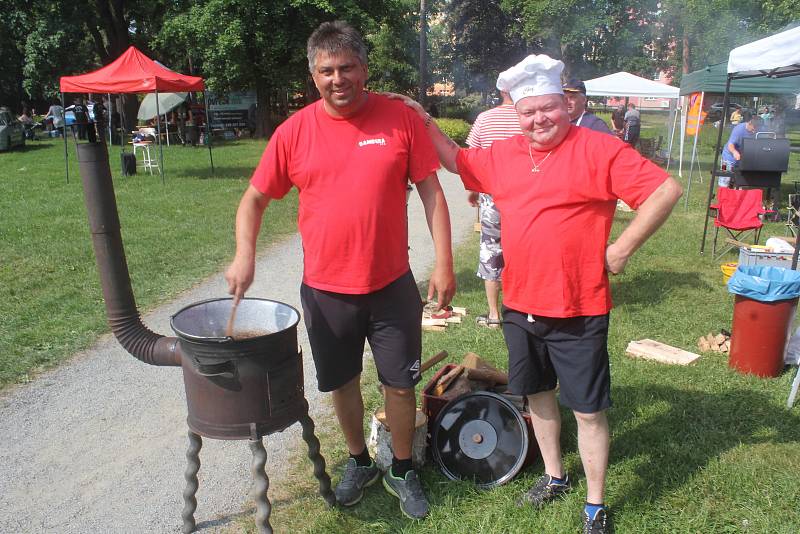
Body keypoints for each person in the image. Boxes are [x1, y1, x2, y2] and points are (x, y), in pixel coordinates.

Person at [389, 53, 682, 534]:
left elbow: (665, 190)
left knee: (588, 410)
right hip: (520, 305)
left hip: (579, 306)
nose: (540, 119)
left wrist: (623, 247)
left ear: (566, 104)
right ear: (516, 113)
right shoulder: (504, 154)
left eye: (549, 108)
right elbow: (455, 158)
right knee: (539, 396)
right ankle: (554, 476)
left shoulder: (599, 150)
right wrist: (421, 117)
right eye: (529, 112)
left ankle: (595, 505)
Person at [224, 20, 455, 520]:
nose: (337, 78)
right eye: (326, 70)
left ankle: (401, 466)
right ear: (313, 75)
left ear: (364, 69)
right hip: (327, 292)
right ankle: (358, 460)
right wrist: (245, 254)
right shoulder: (294, 132)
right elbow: (254, 199)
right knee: (342, 382)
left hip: (392, 285)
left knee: (400, 384)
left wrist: (445, 261)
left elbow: (433, 193)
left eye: (347, 67)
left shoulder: (399, 120)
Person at [465, 87, 522, 328]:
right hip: (526, 195)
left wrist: (473, 188)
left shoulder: (485, 118)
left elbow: (473, 156)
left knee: (491, 250)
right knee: (523, 250)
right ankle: (522, 310)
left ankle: (494, 314)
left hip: (492, 195)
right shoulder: (528, 116)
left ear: (500, 90)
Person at [719, 110, 760, 186]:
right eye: (753, 129)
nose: (754, 131)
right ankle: (723, 193)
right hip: (728, 157)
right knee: (725, 178)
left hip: (742, 158)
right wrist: (735, 152)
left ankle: (735, 193)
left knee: (739, 180)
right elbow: (730, 145)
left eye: (756, 129)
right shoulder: (739, 129)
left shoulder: (756, 131)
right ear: (749, 123)